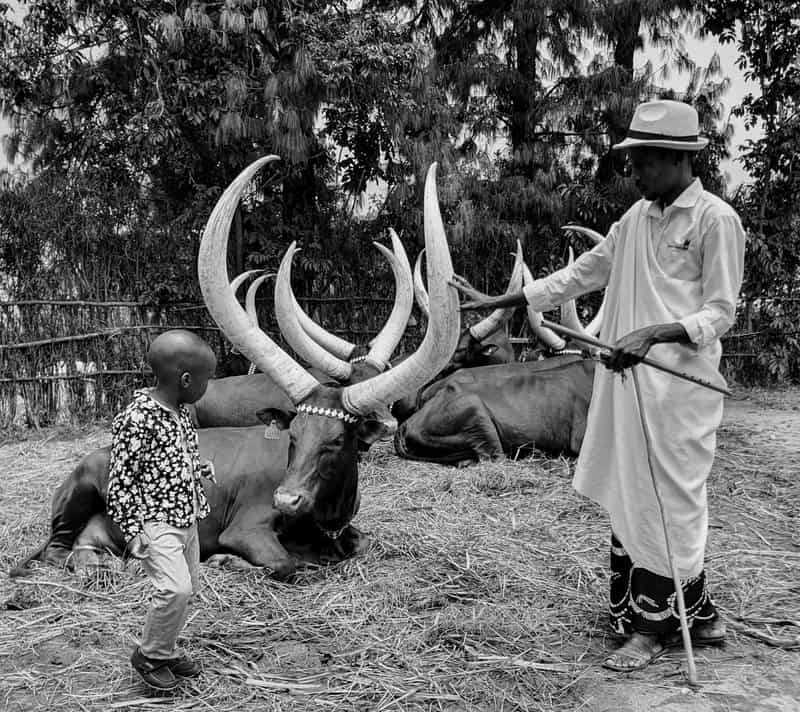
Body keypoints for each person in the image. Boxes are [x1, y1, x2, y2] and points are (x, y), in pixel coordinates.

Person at [450, 99, 746, 671]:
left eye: (642, 160)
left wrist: (651, 334)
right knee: (630, 491)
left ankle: (656, 626)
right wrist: (503, 301)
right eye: (632, 160)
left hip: (679, 389)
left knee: (674, 500)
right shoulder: (635, 220)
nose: (633, 172)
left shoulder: (716, 220)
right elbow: (581, 274)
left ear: (679, 158)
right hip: (627, 387)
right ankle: (694, 612)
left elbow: (721, 312)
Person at [107, 329, 218, 691]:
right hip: (156, 523)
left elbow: (175, 458)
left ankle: (165, 650)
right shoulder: (137, 418)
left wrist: (198, 468)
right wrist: (132, 529)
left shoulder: (180, 412)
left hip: (185, 517)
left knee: (187, 590)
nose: (208, 387)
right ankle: (149, 655)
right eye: (206, 380)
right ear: (186, 380)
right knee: (174, 590)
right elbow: (121, 479)